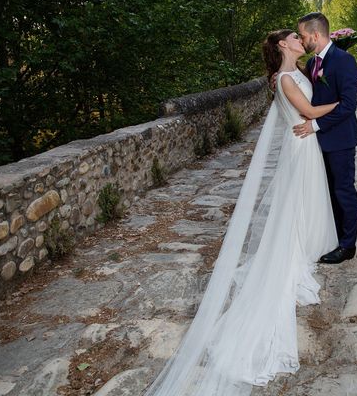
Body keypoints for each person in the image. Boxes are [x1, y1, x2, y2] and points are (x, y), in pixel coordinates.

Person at [143, 28, 339, 395]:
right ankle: (298, 249)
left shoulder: (300, 71)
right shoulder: (284, 78)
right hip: (301, 147)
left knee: (304, 202)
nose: (301, 39)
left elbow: (317, 84)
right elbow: (309, 111)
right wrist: (343, 104)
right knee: (297, 203)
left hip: (305, 144)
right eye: (295, 37)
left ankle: (308, 242)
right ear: (283, 45)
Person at [274, 12, 357, 264]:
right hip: (314, 143)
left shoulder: (344, 60)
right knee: (327, 192)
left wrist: (316, 124)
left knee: (343, 191)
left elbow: (348, 106)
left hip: (340, 139)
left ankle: (348, 245)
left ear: (315, 34)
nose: (301, 39)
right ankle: (332, 237)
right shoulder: (311, 64)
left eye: (302, 35)